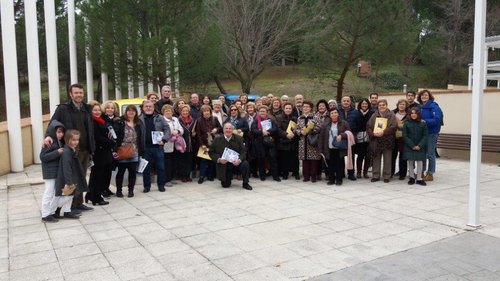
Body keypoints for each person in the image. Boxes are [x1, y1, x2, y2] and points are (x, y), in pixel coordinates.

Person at [45, 83, 94, 213]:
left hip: (85, 149)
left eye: (81, 93)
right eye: (76, 93)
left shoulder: (87, 108)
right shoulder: (63, 109)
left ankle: (78, 203)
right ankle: (69, 206)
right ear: (71, 94)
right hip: (71, 150)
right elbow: (52, 124)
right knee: (71, 178)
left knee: (82, 177)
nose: (79, 95)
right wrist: (48, 136)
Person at [54, 130, 87, 219]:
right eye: (73, 140)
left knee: (70, 195)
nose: (76, 142)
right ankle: (56, 209)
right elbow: (66, 168)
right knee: (67, 196)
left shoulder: (72, 149)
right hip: (68, 178)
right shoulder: (66, 152)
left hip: (73, 176)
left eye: (77, 140)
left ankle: (67, 212)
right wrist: (69, 182)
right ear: (67, 139)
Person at [209, 123, 253, 190]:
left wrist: (239, 160)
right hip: (225, 165)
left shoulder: (238, 138)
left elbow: (243, 152)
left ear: (232, 130)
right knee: (225, 185)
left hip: (236, 164)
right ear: (223, 130)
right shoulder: (217, 139)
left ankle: (245, 183)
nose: (228, 130)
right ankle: (228, 178)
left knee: (245, 164)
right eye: (226, 128)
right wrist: (219, 159)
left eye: (230, 128)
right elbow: (211, 152)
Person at [86, 101, 114, 206]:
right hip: (99, 151)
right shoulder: (93, 122)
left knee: (97, 175)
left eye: (98, 110)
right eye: (95, 110)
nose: (97, 112)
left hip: (105, 151)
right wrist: (111, 142)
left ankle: (90, 194)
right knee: (97, 175)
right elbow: (98, 138)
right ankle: (96, 198)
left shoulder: (101, 120)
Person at [139, 100, 171, 192]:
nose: (148, 108)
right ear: (143, 108)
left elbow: (167, 129)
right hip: (145, 148)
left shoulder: (160, 117)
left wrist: (164, 139)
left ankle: (161, 185)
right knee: (146, 169)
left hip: (158, 148)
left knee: (161, 168)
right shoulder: (139, 118)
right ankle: (146, 186)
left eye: (150, 106)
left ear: (153, 108)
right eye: (146, 106)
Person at [114, 105, 144, 197]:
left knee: (132, 172)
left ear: (136, 112)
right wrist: (115, 148)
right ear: (126, 112)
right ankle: (119, 190)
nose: (131, 112)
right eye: (129, 111)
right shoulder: (120, 122)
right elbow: (116, 135)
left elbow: (140, 137)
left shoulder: (138, 123)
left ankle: (131, 190)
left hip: (134, 150)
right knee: (121, 171)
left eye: (133, 111)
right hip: (122, 149)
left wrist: (141, 151)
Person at [40, 121, 66, 222]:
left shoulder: (58, 141)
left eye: (62, 132)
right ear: (52, 132)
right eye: (58, 132)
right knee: (49, 193)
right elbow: (43, 157)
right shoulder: (48, 142)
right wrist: (57, 152)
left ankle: (51, 212)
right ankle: (45, 215)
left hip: (56, 172)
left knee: (55, 193)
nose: (61, 134)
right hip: (50, 173)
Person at [366, 99, 398, 183]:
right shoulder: (374, 115)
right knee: (376, 158)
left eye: (383, 105)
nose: (381, 106)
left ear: (386, 105)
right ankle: (376, 175)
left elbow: (393, 127)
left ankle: (387, 176)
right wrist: (373, 133)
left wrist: (383, 132)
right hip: (376, 140)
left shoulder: (391, 115)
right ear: (378, 106)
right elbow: (368, 126)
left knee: (387, 159)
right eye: (380, 105)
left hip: (387, 140)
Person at [318, 109, 350, 186]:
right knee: (330, 164)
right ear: (329, 115)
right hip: (329, 147)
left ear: (338, 114)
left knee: (339, 164)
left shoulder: (344, 123)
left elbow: (349, 133)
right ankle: (331, 179)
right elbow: (321, 137)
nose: (334, 114)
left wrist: (342, 135)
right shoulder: (325, 125)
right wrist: (320, 149)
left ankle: (339, 179)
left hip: (339, 147)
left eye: (335, 112)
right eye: (332, 113)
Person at [418, 89, 443, 181]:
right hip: (422, 133)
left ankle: (430, 173)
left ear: (429, 97)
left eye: (426, 95)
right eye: (422, 95)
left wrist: (425, 122)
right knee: (422, 154)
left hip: (431, 133)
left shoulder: (434, 106)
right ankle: (422, 171)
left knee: (430, 154)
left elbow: (437, 119)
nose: (424, 97)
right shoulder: (420, 107)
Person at [251, 105, 280, 182]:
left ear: (267, 112)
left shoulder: (271, 120)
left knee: (273, 159)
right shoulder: (256, 120)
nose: (262, 112)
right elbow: (253, 130)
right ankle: (262, 175)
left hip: (269, 142)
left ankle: (275, 176)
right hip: (259, 143)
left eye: (264, 111)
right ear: (258, 112)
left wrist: (268, 132)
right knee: (261, 159)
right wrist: (261, 132)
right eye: (260, 111)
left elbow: (275, 129)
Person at [295, 101, 321, 182]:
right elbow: (296, 128)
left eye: (307, 107)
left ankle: (313, 176)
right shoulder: (299, 118)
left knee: (313, 159)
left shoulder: (315, 117)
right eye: (304, 107)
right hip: (303, 141)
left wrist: (311, 130)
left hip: (312, 140)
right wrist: (300, 132)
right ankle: (306, 176)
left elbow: (319, 127)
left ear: (311, 108)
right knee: (305, 159)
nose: (305, 108)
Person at [196, 105, 222, 184]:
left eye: (208, 111)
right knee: (204, 160)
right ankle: (202, 176)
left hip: (213, 142)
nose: (206, 112)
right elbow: (198, 134)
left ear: (210, 112)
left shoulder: (215, 119)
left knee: (212, 159)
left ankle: (210, 175)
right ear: (202, 112)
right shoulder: (199, 120)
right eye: (205, 111)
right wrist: (201, 144)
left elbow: (220, 128)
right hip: (204, 143)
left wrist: (216, 129)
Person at [338, 96, 362, 181]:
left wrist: (354, 134)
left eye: (347, 101)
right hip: (340, 136)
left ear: (350, 102)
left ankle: (351, 173)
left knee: (351, 156)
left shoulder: (356, 112)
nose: (346, 102)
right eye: (344, 101)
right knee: (340, 156)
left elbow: (359, 124)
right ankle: (341, 173)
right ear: (341, 102)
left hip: (351, 136)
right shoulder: (337, 111)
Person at [403, 108, 428, 186]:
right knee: (410, 161)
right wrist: (412, 145)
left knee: (420, 161)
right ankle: (411, 177)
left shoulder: (423, 123)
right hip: (409, 146)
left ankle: (419, 178)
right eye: (412, 113)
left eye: (415, 113)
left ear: (418, 114)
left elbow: (425, 136)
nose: (413, 115)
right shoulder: (406, 123)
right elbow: (405, 135)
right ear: (409, 115)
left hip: (420, 146)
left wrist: (419, 145)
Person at [276, 102, 300, 180]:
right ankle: (285, 173)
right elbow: (278, 129)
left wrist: (294, 133)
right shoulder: (279, 118)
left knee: (295, 158)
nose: (288, 110)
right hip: (284, 141)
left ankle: (296, 173)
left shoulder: (295, 118)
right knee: (284, 158)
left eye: (290, 108)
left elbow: (297, 128)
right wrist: (286, 134)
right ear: (284, 109)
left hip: (293, 141)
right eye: (287, 108)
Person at [162, 104, 184, 187]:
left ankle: (172, 178)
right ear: (163, 112)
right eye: (166, 111)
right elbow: (163, 131)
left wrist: (178, 132)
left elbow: (181, 129)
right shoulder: (162, 120)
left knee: (174, 162)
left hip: (176, 144)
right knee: (167, 162)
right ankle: (166, 179)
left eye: (170, 111)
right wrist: (171, 133)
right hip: (167, 144)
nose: (168, 112)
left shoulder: (175, 119)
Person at [101, 101, 119, 197]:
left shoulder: (117, 120)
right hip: (105, 147)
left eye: (112, 108)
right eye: (108, 107)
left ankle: (107, 188)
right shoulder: (102, 119)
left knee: (110, 170)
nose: (110, 109)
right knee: (104, 170)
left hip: (115, 147)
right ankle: (102, 189)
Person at [177, 105, 196, 182]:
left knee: (189, 160)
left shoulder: (193, 120)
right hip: (181, 144)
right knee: (182, 160)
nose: (185, 112)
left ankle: (188, 175)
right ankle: (182, 176)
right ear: (180, 112)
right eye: (183, 111)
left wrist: (195, 134)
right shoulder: (178, 120)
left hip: (191, 144)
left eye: (186, 111)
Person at [355, 98, 373, 178]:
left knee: (368, 155)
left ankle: (365, 172)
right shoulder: (356, 113)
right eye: (363, 104)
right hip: (359, 137)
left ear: (368, 105)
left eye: (366, 104)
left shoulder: (372, 113)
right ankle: (359, 172)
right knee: (360, 155)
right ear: (360, 105)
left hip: (369, 136)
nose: (364, 105)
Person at [391, 99, 409, 180]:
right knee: (392, 156)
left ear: (406, 106)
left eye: (403, 104)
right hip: (393, 138)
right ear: (397, 105)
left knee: (403, 157)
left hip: (404, 138)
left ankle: (402, 174)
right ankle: (390, 173)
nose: (401, 106)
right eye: (400, 104)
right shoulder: (392, 114)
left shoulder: (409, 115)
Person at [315, 99, 330, 180]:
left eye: (323, 106)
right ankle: (318, 173)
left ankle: (328, 174)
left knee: (326, 156)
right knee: (318, 156)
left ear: (326, 107)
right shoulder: (314, 116)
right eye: (319, 106)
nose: (321, 107)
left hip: (327, 138)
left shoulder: (329, 115)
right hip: (317, 139)